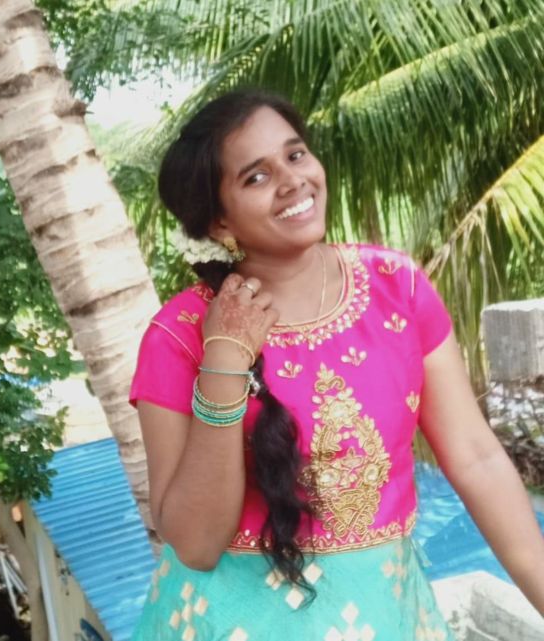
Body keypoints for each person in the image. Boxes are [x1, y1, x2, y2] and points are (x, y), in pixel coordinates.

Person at [128, 89, 544, 640]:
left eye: (296, 154)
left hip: (390, 616)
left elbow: (478, 460)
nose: (292, 181)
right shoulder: (179, 335)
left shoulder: (397, 287)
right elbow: (197, 545)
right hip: (228, 623)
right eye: (256, 176)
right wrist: (225, 360)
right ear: (220, 223)